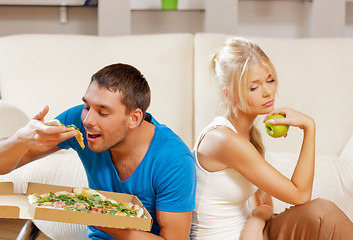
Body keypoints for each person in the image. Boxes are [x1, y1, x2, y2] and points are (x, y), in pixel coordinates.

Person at [0, 63, 196, 240]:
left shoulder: (174, 160)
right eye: (87, 106)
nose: (88, 120)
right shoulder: (78, 122)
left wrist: (94, 217)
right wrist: (22, 137)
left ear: (134, 118)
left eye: (103, 112)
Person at [190, 37, 353, 240]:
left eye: (270, 80)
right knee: (321, 214)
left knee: (320, 213)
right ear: (229, 95)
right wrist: (309, 128)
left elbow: (265, 203)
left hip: (253, 234)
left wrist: (254, 223)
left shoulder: (249, 136)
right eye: (254, 87)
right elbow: (300, 194)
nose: (267, 92)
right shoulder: (224, 140)